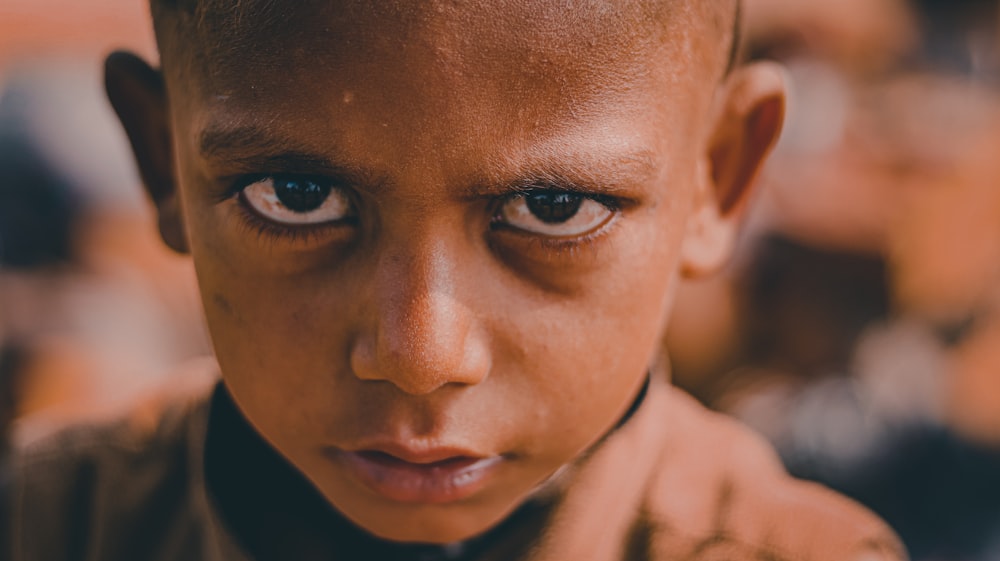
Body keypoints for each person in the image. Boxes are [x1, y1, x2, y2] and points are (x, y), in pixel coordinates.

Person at [5, 1, 906, 560]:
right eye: (299, 194)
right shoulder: (46, 528)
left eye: (554, 207)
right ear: (162, 158)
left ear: (719, 174)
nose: (420, 357)